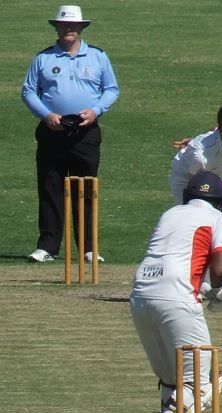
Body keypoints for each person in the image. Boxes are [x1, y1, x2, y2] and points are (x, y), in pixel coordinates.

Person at [129, 171, 222, 413]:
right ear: (220, 201)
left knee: (173, 381)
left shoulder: (170, 214)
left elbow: (176, 260)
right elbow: (219, 270)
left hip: (141, 296)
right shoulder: (220, 220)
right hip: (176, 299)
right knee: (199, 385)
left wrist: (209, 290)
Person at [21, 5, 119, 263]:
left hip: (85, 132)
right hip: (52, 130)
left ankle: (88, 248)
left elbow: (111, 89)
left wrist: (96, 111)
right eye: (64, 25)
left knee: (85, 188)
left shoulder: (98, 56)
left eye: (73, 26)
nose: (68, 29)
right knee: (50, 186)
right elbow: (29, 91)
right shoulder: (43, 58)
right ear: (56, 27)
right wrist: (46, 114)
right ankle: (48, 247)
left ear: (81, 28)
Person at [168, 105, 222, 229]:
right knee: (197, 223)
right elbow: (196, 190)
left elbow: (215, 130)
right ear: (220, 132)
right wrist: (220, 216)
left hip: (216, 176)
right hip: (187, 180)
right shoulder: (200, 156)